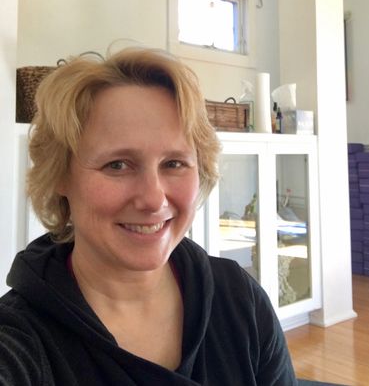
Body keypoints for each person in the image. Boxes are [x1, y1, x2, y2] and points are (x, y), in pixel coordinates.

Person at [0, 47, 297, 385]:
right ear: (60, 177)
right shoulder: (20, 340)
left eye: (174, 163)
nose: (154, 199)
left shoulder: (238, 297)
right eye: (117, 165)